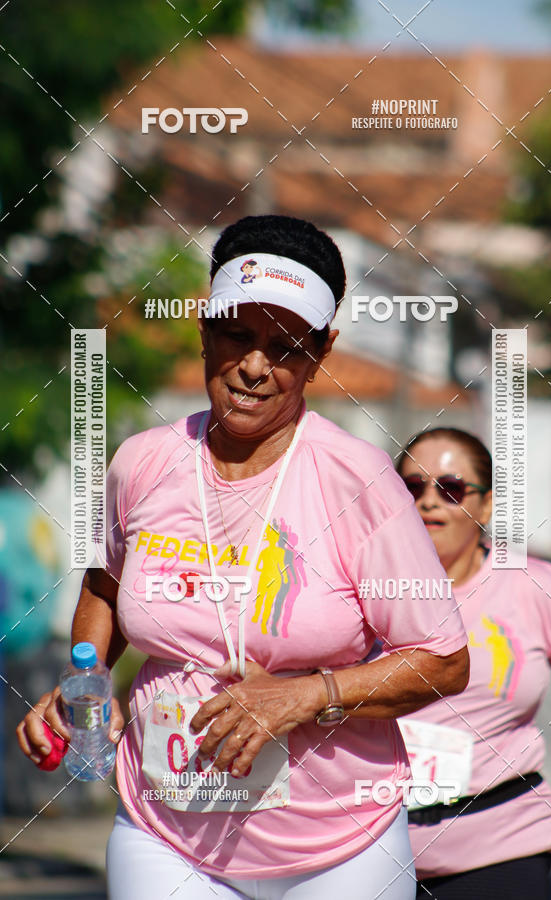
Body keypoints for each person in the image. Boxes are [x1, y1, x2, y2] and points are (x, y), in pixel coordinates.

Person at [17, 215, 469, 900]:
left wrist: (307, 695)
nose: (255, 365)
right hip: (166, 832)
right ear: (204, 330)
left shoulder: (360, 481)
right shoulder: (143, 463)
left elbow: (443, 660)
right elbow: (105, 587)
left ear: (321, 354)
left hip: (337, 847)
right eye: (237, 335)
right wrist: (85, 684)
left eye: (285, 346)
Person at [395, 427, 551, 900]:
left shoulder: (529, 585)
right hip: (365, 846)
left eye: (450, 488)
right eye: (412, 488)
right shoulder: (357, 586)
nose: (428, 502)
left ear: (486, 506)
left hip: (500, 842)